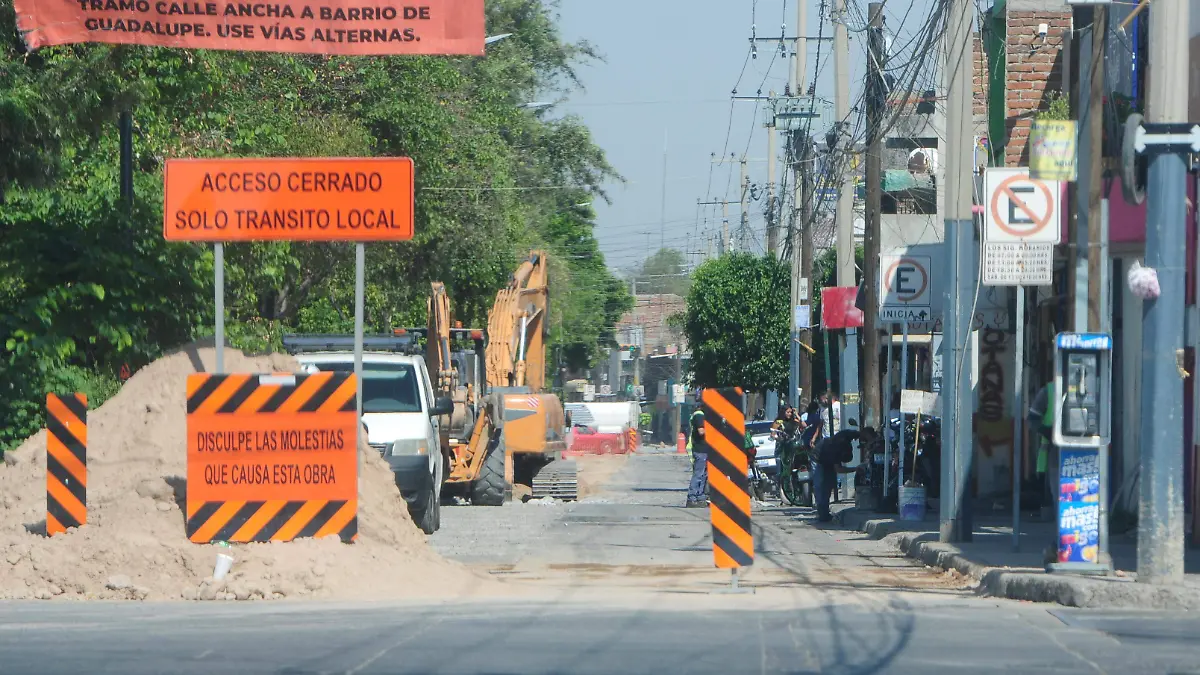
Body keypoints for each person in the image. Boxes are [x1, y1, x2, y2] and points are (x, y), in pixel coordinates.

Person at [812, 425, 873, 522]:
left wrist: (866, 439)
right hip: (818, 457)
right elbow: (839, 470)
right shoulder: (837, 451)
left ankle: (824, 512)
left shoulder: (846, 437)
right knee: (821, 486)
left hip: (827, 457)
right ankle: (822, 514)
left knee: (829, 484)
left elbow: (858, 433)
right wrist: (855, 469)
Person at [685, 406, 708, 508]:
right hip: (700, 449)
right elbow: (701, 431)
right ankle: (692, 497)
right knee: (698, 474)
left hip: (704, 450)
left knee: (703, 475)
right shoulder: (699, 415)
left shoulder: (701, 415)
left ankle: (700, 497)